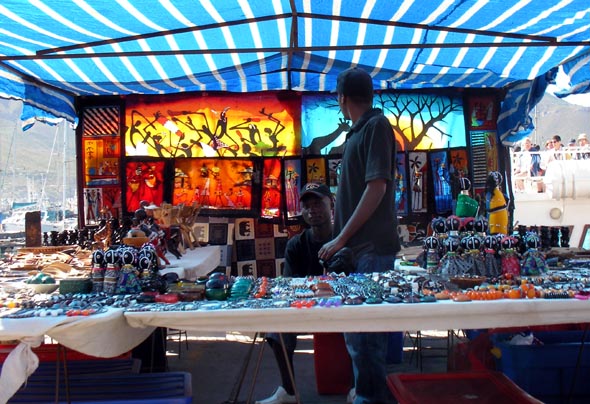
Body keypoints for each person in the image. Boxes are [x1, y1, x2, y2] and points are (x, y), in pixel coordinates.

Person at [318, 67, 400, 404]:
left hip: (371, 249)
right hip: (357, 250)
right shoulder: (358, 131)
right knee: (357, 332)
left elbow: (377, 188)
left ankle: (368, 397)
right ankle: (365, 393)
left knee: (366, 337)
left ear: (342, 98)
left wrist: (340, 238)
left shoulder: (377, 126)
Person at [256, 183, 334, 404]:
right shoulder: (296, 244)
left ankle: (360, 388)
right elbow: (290, 286)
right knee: (276, 329)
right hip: (306, 308)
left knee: (364, 326)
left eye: (318, 204)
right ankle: (288, 390)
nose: (312, 210)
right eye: (307, 206)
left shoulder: (344, 238)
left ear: (331, 204)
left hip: (343, 307)